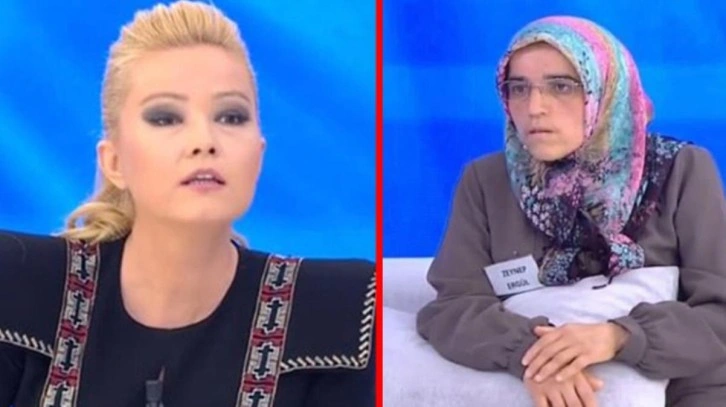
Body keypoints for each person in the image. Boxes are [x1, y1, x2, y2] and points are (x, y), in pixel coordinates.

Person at [0, 2, 375, 406]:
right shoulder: (20, 286)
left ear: (259, 154)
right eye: (166, 118)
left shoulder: (334, 312)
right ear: (114, 162)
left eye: (231, 117)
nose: (205, 141)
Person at [416, 15, 726, 407]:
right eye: (518, 88)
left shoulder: (680, 169)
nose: (535, 107)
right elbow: (452, 308)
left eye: (561, 86)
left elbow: (719, 312)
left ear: (606, 90)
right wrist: (535, 356)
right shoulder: (486, 180)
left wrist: (618, 336)